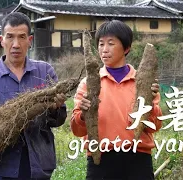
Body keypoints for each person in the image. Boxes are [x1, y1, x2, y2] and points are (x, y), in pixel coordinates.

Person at [0, 12, 67, 180]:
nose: (16, 44)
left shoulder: (45, 72)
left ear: (29, 41)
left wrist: (55, 108)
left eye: (22, 37)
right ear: (2, 40)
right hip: (0, 169)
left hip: (37, 168)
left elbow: (58, 120)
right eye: (10, 37)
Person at [70, 20, 163, 180]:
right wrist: (83, 115)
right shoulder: (88, 84)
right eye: (100, 44)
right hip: (100, 160)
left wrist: (150, 103)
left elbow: (155, 126)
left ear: (126, 48)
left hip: (138, 159)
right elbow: (77, 130)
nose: (104, 50)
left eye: (111, 44)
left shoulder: (143, 82)